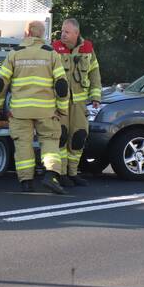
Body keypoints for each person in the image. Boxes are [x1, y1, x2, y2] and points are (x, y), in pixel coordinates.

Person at [0, 20, 70, 194]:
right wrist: (62, 109)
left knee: (23, 145)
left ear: (26, 33)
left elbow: (0, 83)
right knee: (50, 141)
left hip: (20, 110)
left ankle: (26, 182)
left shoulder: (14, 54)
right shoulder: (51, 54)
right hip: (46, 109)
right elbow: (62, 85)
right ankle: (51, 175)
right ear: (42, 35)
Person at [52, 18, 102, 186]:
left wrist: (96, 96)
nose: (62, 34)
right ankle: (61, 174)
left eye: (66, 32)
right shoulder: (55, 48)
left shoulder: (87, 48)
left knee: (79, 136)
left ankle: (73, 173)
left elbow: (94, 72)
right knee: (61, 137)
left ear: (76, 33)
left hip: (80, 103)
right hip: (60, 104)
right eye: (62, 31)